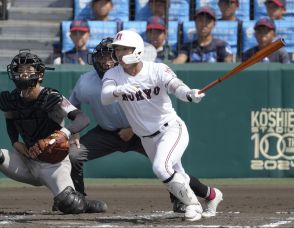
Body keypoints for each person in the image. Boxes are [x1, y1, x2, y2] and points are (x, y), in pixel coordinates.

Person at [69, 37, 223, 216]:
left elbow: (174, 85)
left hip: (141, 131)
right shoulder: (95, 79)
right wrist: (75, 131)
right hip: (107, 132)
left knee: (166, 168)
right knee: (73, 154)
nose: (106, 61)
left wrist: (188, 92)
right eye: (101, 57)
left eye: (111, 55)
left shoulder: (152, 69)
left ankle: (187, 201)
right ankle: (76, 199)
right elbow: (78, 105)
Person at [0, 50, 107, 214]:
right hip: (26, 161)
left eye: (28, 71)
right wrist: (15, 142)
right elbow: (10, 120)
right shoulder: (12, 99)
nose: (23, 75)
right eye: (20, 71)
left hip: (52, 163)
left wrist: (63, 133)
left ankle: (85, 203)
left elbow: (82, 118)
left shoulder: (52, 97)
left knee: (70, 203)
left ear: (40, 75)